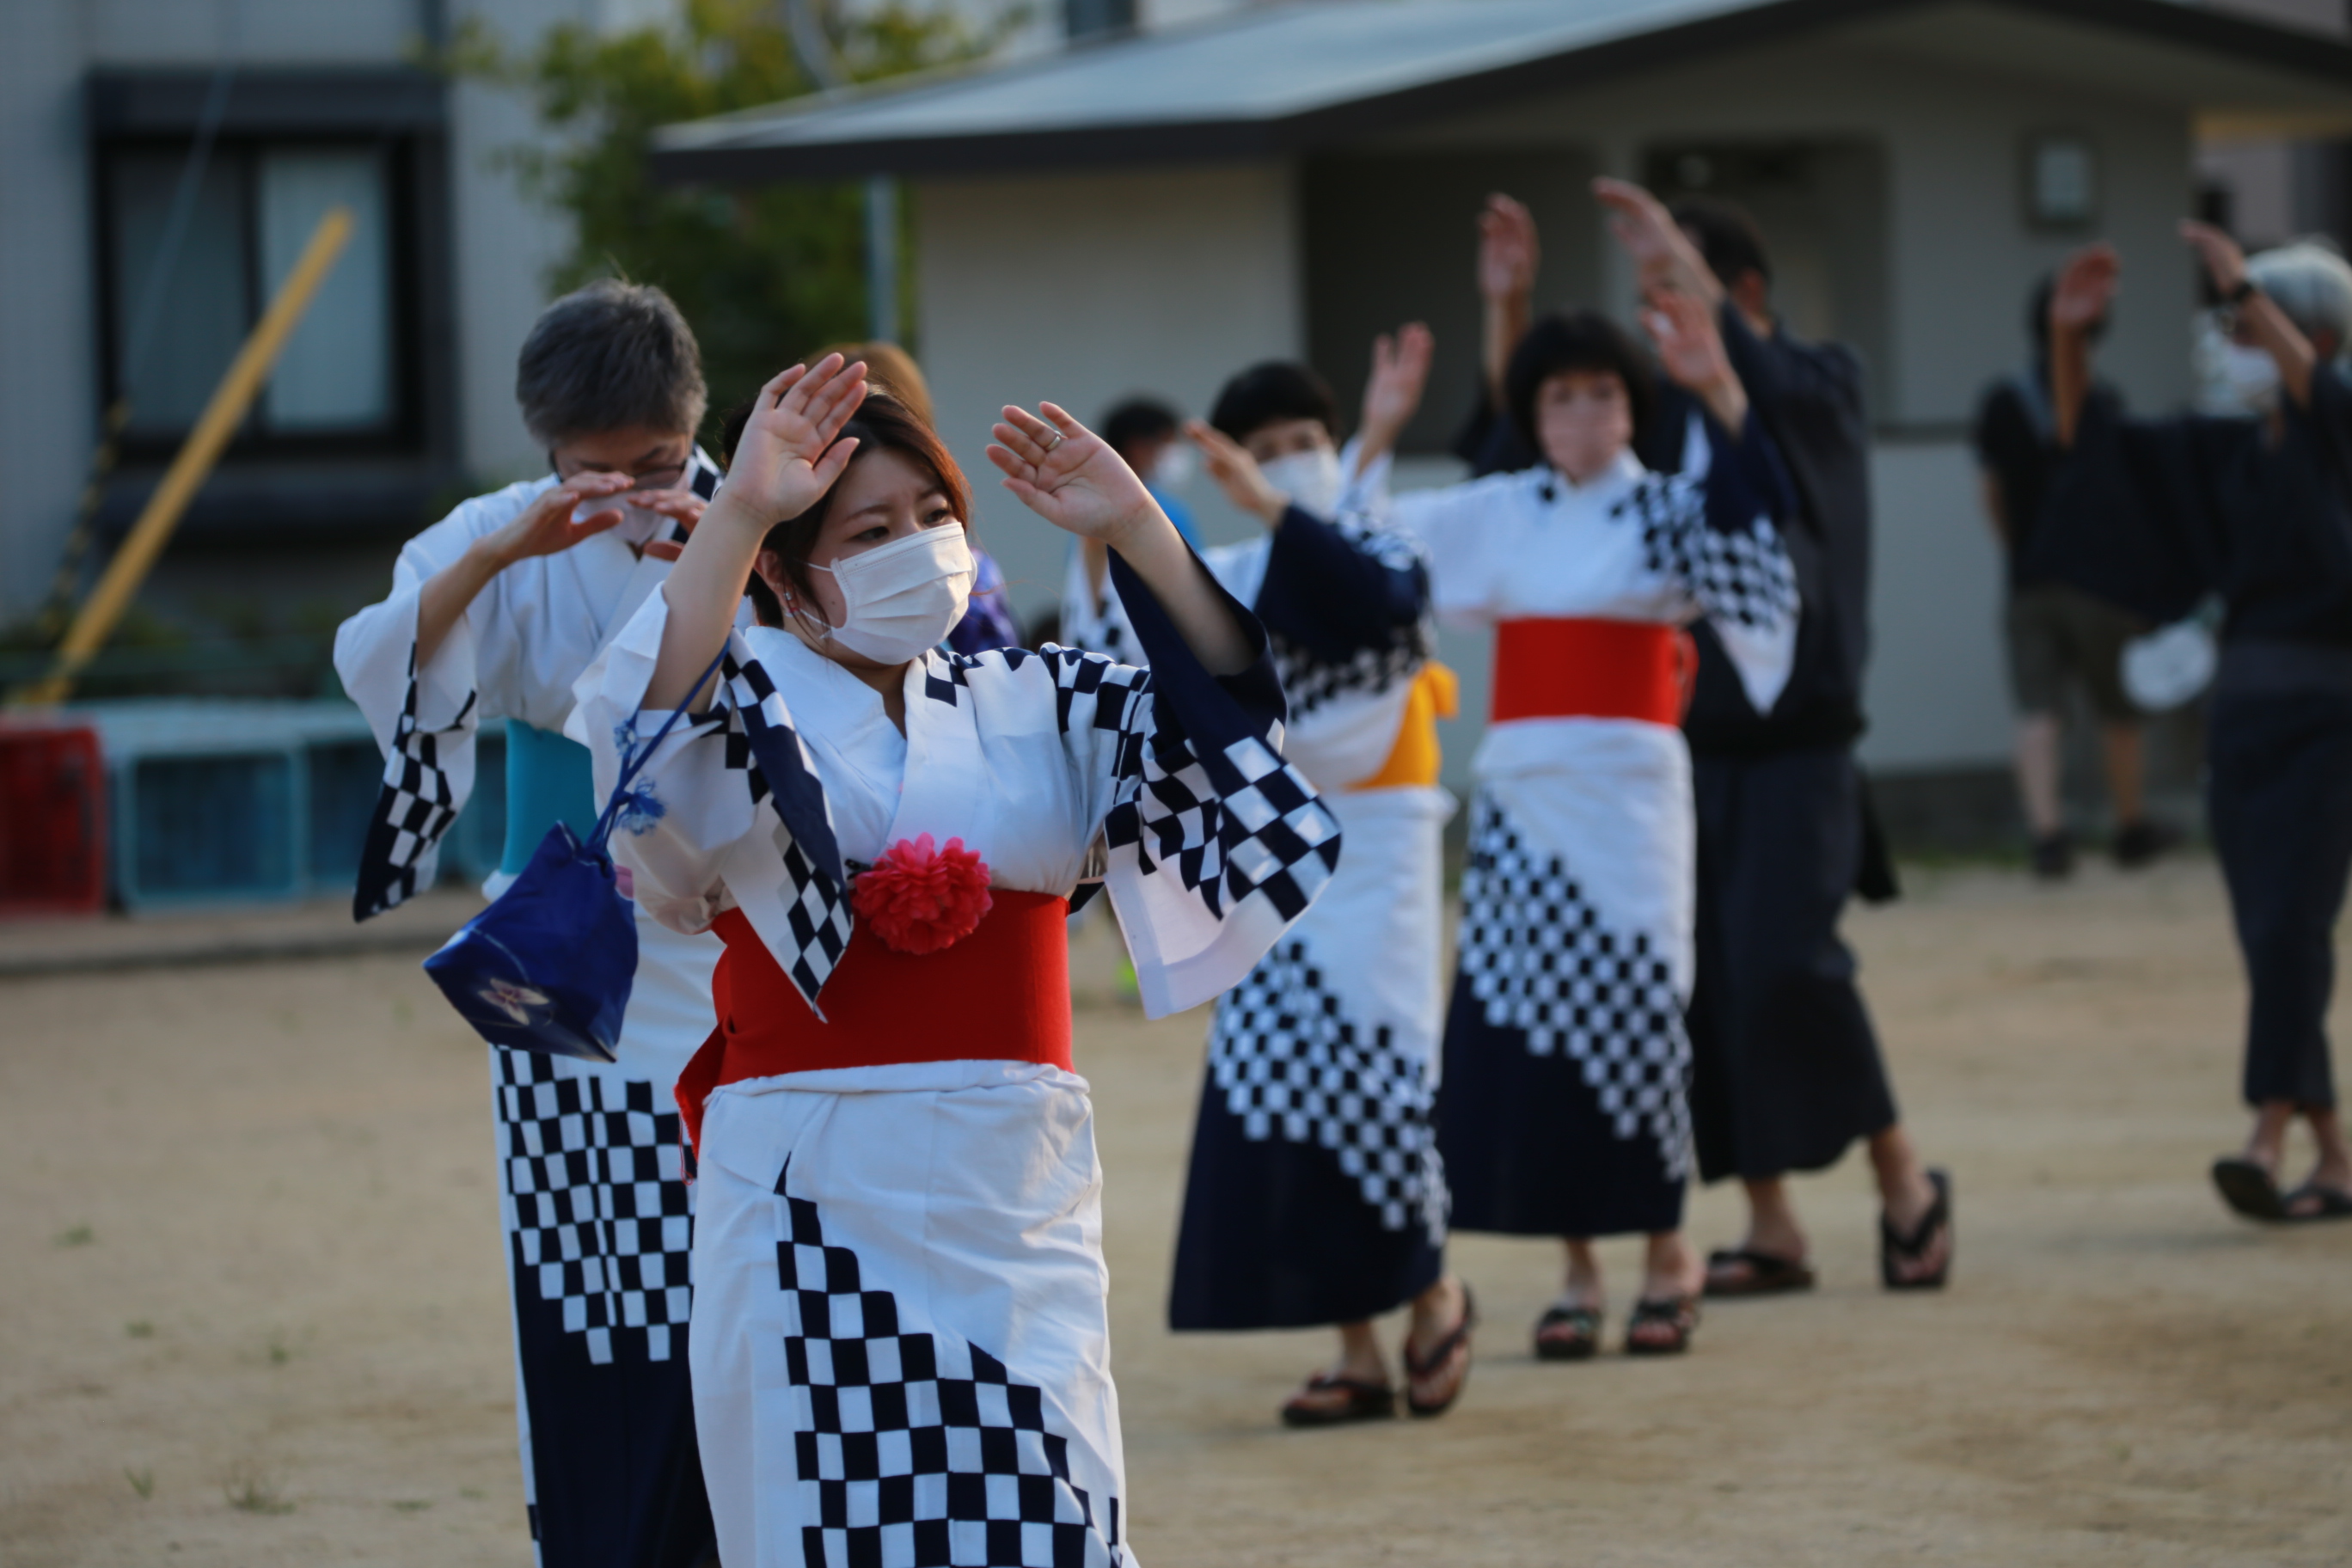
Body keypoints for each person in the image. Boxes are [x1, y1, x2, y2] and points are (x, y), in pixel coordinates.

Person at [573, 357, 1342, 1563]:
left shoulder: (1036, 698)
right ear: (782, 571)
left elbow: (1232, 732)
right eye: (868, 530)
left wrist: (1137, 524)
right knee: (829, 1520)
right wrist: (737, 512)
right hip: (804, 1181)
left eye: (935, 519)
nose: (915, 547)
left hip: (1010, 1175)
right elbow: (642, 755)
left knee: (1052, 1519)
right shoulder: (745, 691)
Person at [334, 279, 723, 1565]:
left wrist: (729, 547)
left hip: (736, 932)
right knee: (591, 1265)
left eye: (657, 464)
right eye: (591, 470)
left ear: (696, 425)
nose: (625, 492)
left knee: (743, 1242)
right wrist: (505, 554)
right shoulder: (500, 531)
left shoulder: (753, 513)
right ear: (546, 449)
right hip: (567, 945)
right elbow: (386, 665)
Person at [1368, 289, 1801, 1358]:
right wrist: (1377, 432)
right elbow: (1365, 546)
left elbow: (1758, 526)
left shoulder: (1669, 507)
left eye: (1603, 393)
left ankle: (1668, 1250)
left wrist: (1719, 385)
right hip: (1523, 791)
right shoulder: (1503, 507)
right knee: (1534, 1029)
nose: (1581, 414)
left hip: (1631, 791)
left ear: (1632, 407)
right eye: (1559, 396)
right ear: (1534, 410)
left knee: (1643, 1014)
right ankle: (1577, 1266)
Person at [1583, 181, 1953, 1298]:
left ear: (1741, 293)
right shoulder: (1669, 417)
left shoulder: (1819, 382)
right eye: (1651, 293)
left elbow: (1771, 407)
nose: (1664, 314)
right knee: (1705, 983)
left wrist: (1686, 290)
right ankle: (1771, 1221)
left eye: (1680, 288)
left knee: (1792, 962)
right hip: (1689, 743)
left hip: (1805, 742)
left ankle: (1905, 1180)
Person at [1161, 328, 1475, 1425]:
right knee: (1283, 1082)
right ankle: (1356, 1342)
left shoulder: (1376, 530)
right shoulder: (1233, 569)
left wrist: (1287, 508)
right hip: (1274, 846)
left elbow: (1370, 608)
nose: (1289, 458)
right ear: (1228, 460)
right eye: (1267, 446)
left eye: (1307, 440)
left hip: (1381, 840)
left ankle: (1432, 1291)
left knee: (1382, 1071)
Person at [2041, 228, 2352, 1223]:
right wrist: (2068, 339)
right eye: (2227, 324)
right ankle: (2337, 1155)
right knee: (2269, 932)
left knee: (2292, 924)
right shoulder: (2226, 447)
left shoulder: (2338, 431)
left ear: (2321, 338)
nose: (2233, 340)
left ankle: (2266, 1131)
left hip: (2330, 713)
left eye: (2251, 324)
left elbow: (2324, 403)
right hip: (2244, 715)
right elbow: (2097, 443)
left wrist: (2244, 282)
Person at [1974, 282, 2175, 877]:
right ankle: (2130, 826)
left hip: (2029, 581)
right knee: (2118, 708)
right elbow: (2124, 501)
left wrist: (2020, 550)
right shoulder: (2103, 401)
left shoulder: (2001, 401)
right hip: (2097, 581)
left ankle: (2048, 835)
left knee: (2038, 710)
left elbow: (1990, 492)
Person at [812, 339, 1025, 653]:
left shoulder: (969, 578)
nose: (920, 548)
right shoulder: (751, 687)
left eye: (935, 514)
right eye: (874, 532)